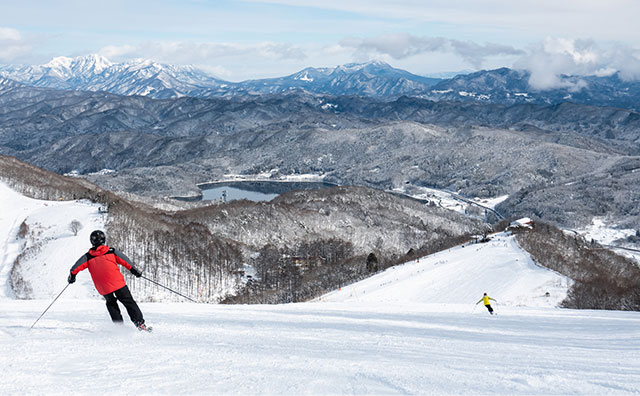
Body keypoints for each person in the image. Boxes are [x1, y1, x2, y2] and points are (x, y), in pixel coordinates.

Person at [68, 230, 150, 331]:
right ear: (104, 240)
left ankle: (119, 328)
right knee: (128, 302)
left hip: (103, 288)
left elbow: (75, 268)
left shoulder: (88, 256)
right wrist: (135, 271)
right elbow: (125, 261)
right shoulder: (111, 251)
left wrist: (72, 277)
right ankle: (140, 324)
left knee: (111, 303)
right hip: (118, 283)